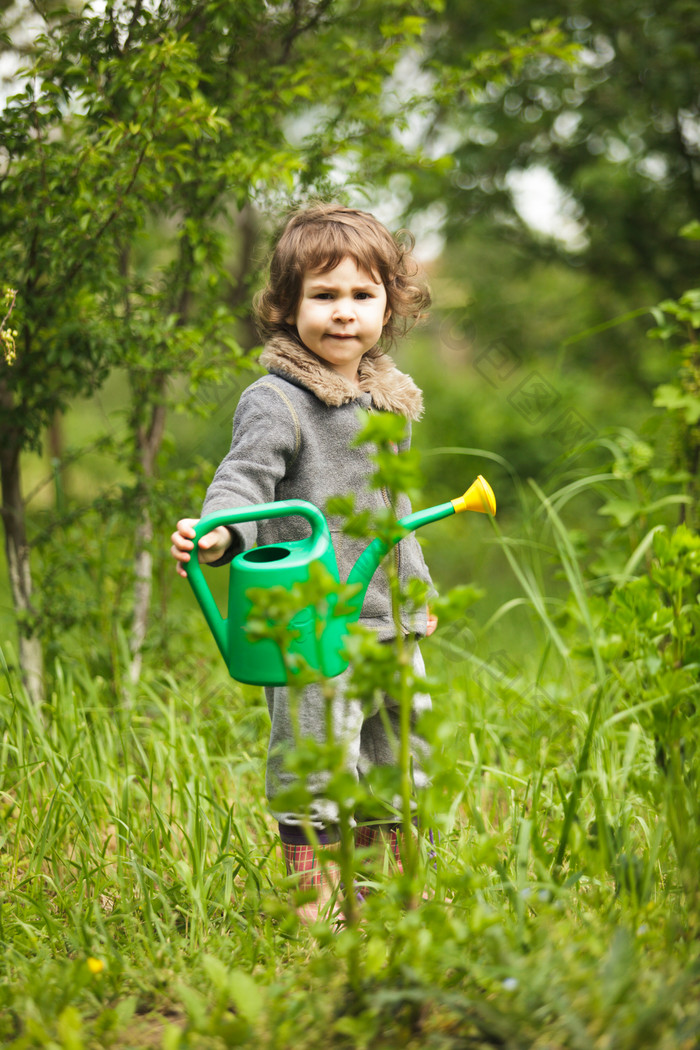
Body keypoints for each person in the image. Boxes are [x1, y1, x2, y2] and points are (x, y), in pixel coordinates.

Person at [170, 203, 437, 922]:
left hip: (387, 618)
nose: (343, 312)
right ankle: (313, 909)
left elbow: (389, 511)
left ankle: (384, 903)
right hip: (310, 620)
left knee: (400, 758)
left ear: (390, 304)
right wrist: (220, 536)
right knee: (316, 760)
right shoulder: (277, 400)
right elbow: (242, 482)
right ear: (288, 307)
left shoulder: (388, 401)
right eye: (323, 295)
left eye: (361, 295)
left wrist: (415, 594)